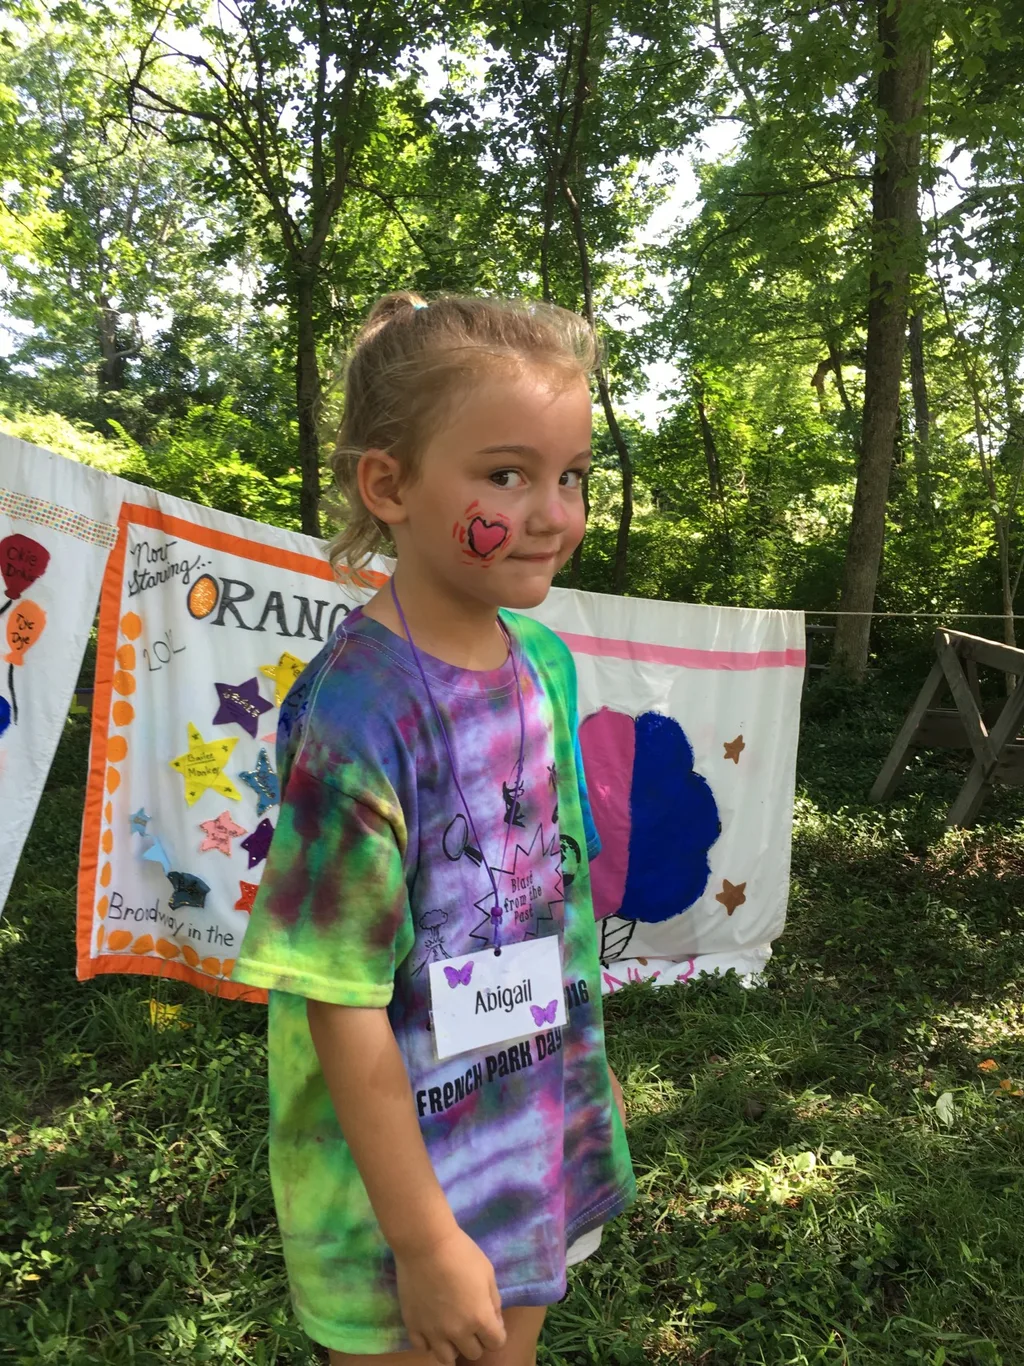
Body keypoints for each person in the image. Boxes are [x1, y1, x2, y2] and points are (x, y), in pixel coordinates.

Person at [231, 292, 636, 1366]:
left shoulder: (542, 664)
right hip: (393, 1202)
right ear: (389, 484)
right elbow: (339, 997)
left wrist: (576, 1074)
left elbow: (548, 907)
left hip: (523, 1130)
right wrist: (422, 1239)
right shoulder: (359, 714)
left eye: (571, 474)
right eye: (506, 475)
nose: (552, 511)